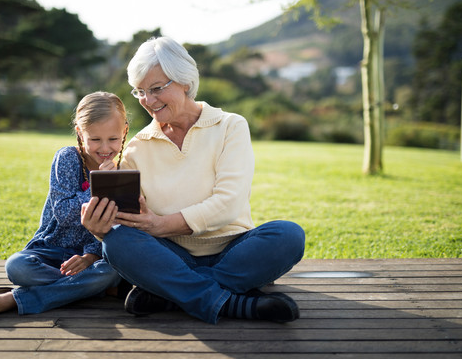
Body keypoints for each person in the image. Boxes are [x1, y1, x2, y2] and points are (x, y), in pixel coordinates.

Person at [81, 37, 305, 325]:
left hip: (233, 250)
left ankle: (170, 294)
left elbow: (229, 204)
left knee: (288, 235)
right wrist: (101, 228)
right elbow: (134, 221)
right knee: (117, 243)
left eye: (157, 88)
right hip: (171, 255)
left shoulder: (230, 126)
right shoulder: (137, 147)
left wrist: (161, 224)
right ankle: (230, 302)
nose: (148, 101)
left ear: (184, 81)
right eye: (140, 91)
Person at [0, 91, 132, 317]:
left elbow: (115, 225)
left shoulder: (125, 171)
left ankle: (15, 299)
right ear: (79, 133)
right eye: (95, 139)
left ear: (124, 131)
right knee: (16, 267)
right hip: (51, 250)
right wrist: (101, 185)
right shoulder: (67, 158)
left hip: (92, 258)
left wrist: (90, 256)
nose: (105, 148)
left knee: (109, 272)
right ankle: (93, 289)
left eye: (113, 139)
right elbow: (64, 213)